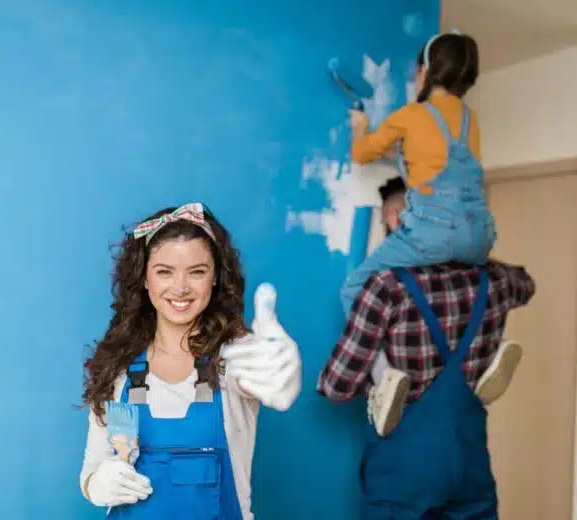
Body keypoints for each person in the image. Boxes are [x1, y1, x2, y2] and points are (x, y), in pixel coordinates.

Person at [340, 32, 523, 436]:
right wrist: (401, 153)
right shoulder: (469, 120)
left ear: (426, 70)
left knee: (355, 286)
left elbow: (362, 152)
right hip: (476, 238)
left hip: (430, 235)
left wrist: (361, 126)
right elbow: (436, 161)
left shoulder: (411, 115)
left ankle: (385, 376)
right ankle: (486, 356)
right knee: (465, 293)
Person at [79, 202, 302, 520]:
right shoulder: (120, 368)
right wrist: (98, 484)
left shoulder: (233, 359)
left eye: (197, 271)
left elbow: (262, 373)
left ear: (215, 277)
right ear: (144, 278)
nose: (181, 288)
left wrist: (280, 371)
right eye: (164, 272)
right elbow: (94, 465)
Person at [317, 247, 536, 517]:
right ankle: (483, 366)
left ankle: (387, 384)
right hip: (470, 466)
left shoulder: (388, 286)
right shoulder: (497, 279)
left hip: (404, 471)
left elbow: (336, 386)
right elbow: (527, 285)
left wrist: (375, 381)